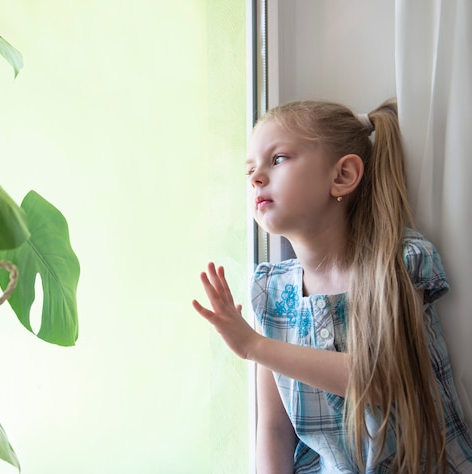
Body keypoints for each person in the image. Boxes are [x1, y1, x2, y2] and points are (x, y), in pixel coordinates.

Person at [192, 99, 472, 473]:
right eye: (250, 170)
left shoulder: (396, 263)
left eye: (277, 160)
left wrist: (254, 346)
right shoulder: (272, 292)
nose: (257, 177)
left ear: (342, 176)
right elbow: (274, 431)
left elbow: (381, 381)